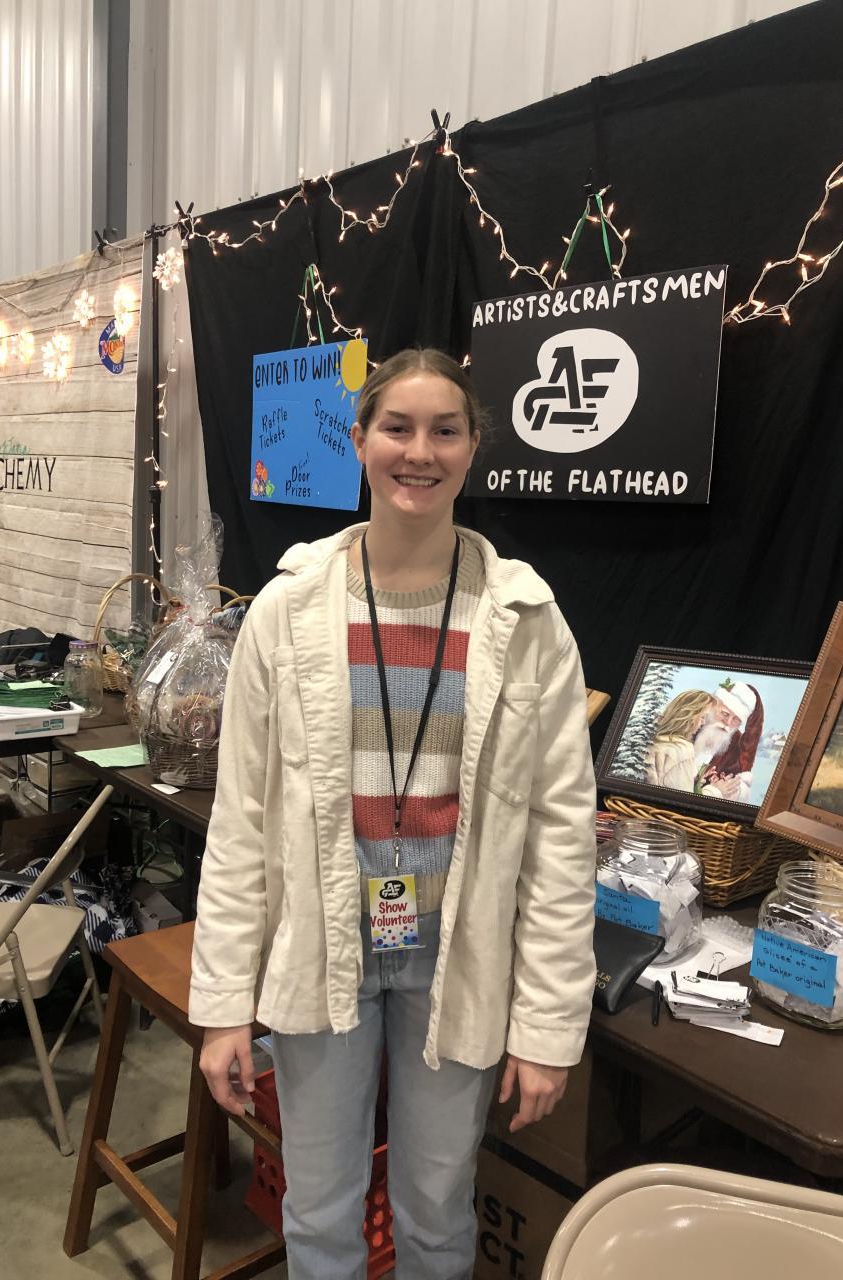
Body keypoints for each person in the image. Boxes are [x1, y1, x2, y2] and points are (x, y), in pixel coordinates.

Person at [189, 348, 597, 1280]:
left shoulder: (525, 618)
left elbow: (562, 838)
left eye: (444, 430)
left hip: (458, 951)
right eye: (397, 428)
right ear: (359, 439)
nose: (420, 452)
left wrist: (545, 1029)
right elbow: (242, 819)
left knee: (439, 1209)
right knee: (320, 1207)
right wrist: (222, 1009)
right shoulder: (289, 610)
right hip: (322, 939)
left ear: (474, 446)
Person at [645, 689, 717, 793]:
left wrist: (693, 780)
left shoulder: (654, 741)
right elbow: (683, 798)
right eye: (702, 717)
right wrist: (714, 791)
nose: (703, 722)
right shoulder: (682, 749)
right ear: (689, 715)